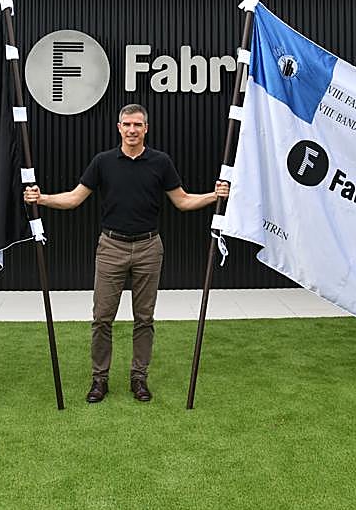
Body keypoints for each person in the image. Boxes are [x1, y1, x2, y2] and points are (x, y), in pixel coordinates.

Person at [24, 103, 229, 404]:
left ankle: (139, 378)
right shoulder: (103, 162)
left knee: (144, 318)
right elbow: (74, 198)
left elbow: (183, 201)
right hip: (111, 247)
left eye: (137, 125)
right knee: (101, 318)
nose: (132, 130)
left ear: (146, 128)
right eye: (127, 124)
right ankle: (99, 380)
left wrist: (215, 195)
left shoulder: (161, 162)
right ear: (119, 128)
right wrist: (41, 198)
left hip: (149, 247)